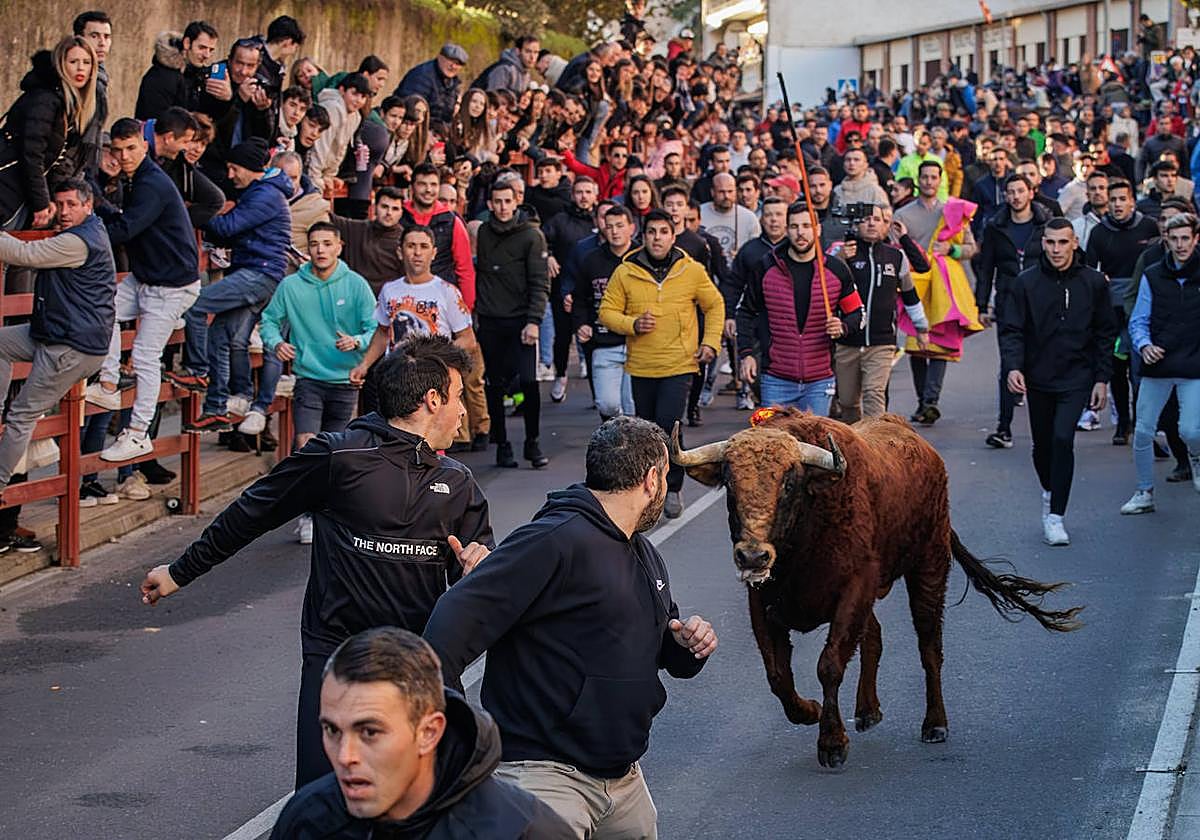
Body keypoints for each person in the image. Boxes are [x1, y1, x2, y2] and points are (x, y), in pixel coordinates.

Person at [141, 335, 493, 788]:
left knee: (439, 799)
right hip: (337, 656)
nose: (463, 411)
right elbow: (252, 514)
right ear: (431, 400)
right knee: (321, 801)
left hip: (421, 660)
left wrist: (477, 573)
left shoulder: (457, 482)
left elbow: (487, 577)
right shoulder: (337, 457)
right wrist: (178, 572)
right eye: (459, 397)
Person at [423, 416, 717, 838]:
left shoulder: (644, 552)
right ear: (652, 478)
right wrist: (455, 741)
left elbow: (662, 648)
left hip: (624, 782)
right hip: (546, 780)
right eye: (668, 477)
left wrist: (689, 647)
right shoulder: (552, 540)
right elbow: (450, 628)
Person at [270, 627, 572, 839]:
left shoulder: (525, 830)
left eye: (370, 732)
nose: (345, 756)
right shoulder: (306, 820)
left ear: (429, 731)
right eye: (332, 730)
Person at [84, 118, 199, 469]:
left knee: (147, 355)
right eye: (117, 150)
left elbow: (125, 228)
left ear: (144, 146)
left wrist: (87, 224)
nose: (123, 156)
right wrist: (98, 202)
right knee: (104, 307)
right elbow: (123, 218)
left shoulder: (152, 183)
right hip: (146, 278)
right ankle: (108, 381)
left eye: (130, 148)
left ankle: (137, 432)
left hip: (171, 285)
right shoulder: (137, 180)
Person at [599, 209, 723, 518]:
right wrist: (632, 323)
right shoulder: (626, 271)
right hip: (641, 365)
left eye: (663, 232)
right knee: (646, 431)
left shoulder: (690, 270)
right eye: (652, 232)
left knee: (668, 427)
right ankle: (648, 489)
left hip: (680, 363)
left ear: (673, 235)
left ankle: (672, 487)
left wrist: (710, 343)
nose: (657, 238)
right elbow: (606, 311)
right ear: (644, 236)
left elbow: (715, 304)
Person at [1000, 218, 1117, 546]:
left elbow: (1105, 332)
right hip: (1038, 376)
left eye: (1062, 243)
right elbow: (1012, 330)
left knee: (1063, 438)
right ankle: (1051, 491)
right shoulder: (1026, 283)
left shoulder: (1093, 283)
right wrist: (1013, 367)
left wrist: (1101, 379)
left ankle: (1055, 516)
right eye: (1050, 242)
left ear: (1075, 243)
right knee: (1042, 448)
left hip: (1077, 376)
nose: (1056, 249)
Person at [259, 222, 376, 543]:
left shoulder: (356, 285)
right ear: (307, 249)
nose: (321, 249)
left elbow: (375, 327)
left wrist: (357, 341)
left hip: (345, 379)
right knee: (307, 446)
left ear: (339, 247)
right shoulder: (291, 286)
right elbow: (269, 321)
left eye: (327, 243)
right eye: (314, 244)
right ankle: (308, 515)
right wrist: (275, 343)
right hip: (308, 376)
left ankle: (336, 512)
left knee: (341, 453)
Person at [166, 139, 292, 431]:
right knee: (220, 338)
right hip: (259, 274)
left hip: (258, 273)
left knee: (194, 305)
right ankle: (215, 408)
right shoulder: (263, 193)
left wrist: (190, 212)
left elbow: (226, 228)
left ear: (250, 168)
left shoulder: (266, 195)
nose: (231, 175)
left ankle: (198, 370)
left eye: (235, 169)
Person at [0, 179, 115, 498]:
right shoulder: (91, 229)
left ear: (87, 206)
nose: (64, 212)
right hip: (57, 333)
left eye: (71, 205)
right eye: (59, 204)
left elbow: (27, 254)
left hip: (71, 347)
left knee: (22, 415)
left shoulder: (78, 242)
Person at [737, 201, 863, 413]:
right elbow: (745, 312)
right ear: (786, 229)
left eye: (806, 226)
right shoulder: (766, 267)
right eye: (794, 227)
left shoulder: (835, 270)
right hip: (775, 379)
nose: (800, 233)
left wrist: (842, 326)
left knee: (814, 445)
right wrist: (746, 353)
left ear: (817, 228)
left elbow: (858, 314)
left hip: (820, 381)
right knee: (774, 444)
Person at [1119, 212, 1200, 514]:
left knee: (1191, 430)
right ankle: (1144, 492)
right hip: (1159, 362)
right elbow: (1138, 319)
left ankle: (1195, 457)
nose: (1180, 245)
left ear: (1195, 239)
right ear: (1166, 239)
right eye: (1174, 239)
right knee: (1142, 431)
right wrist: (1144, 345)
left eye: (1185, 239)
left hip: (1194, 365)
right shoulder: (1153, 274)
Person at [894, 160, 982, 425]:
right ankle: (923, 401)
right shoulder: (903, 214)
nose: (929, 181)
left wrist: (952, 251)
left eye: (934, 177)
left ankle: (931, 401)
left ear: (940, 180)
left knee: (940, 341)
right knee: (916, 343)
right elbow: (894, 248)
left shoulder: (952, 211)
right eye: (925, 177)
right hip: (916, 285)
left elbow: (971, 248)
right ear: (918, 180)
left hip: (945, 286)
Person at [474, 178, 551, 469]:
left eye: (508, 201)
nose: (503, 207)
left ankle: (533, 441)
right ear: (490, 203)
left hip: (521, 320)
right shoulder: (483, 232)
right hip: (491, 319)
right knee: (494, 384)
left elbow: (540, 282)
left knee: (529, 382)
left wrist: (534, 321)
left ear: (516, 201)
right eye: (497, 201)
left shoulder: (532, 236)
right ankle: (502, 444)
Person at [976, 173, 1054, 449]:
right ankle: (1004, 427)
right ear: (1005, 196)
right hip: (1009, 301)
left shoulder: (1046, 223)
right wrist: (981, 304)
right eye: (1011, 192)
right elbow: (986, 268)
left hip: (1044, 302)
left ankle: (1048, 426)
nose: (1016, 196)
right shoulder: (995, 226)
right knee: (1010, 363)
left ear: (1031, 193)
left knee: (1044, 362)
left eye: (1021, 191)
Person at [834, 205, 929, 423]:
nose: (871, 223)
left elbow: (910, 294)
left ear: (886, 225)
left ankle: (875, 447)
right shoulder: (842, 252)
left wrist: (921, 328)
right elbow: (826, 287)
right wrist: (840, 259)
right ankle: (853, 446)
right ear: (856, 224)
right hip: (847, 341)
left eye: (877, 219)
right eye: (866, 219)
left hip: (881, 341)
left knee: (874, 394)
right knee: (847, 401)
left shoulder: (896, 257)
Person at [1083, 177, 1159, 444]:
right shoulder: (1100, 233)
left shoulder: (1148, 227)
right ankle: (1122, 423)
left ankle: (1141, 423)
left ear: (1132, 202)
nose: (1117, 204)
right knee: (1116, 367)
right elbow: (1090, 270)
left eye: (1122, 199)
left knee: (1139, 369)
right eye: (1113, 199)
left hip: (1142, 307)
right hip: (1111, 307)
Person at [0, 36, 101, 230]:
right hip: (8, 184)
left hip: (19, 189)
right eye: (73, 62)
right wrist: (41, 203)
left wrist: (48, 199)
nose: (80, 68)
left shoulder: (65, 103)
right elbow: (32, 155)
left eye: (86, 62)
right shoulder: (46, 100)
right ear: (61, 65)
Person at [574, 205, 636, 421]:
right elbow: (579, 298)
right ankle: (620, 425)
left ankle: (630, 442)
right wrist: (581, 323)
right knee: (607, 403)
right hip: (602, 341)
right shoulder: (591, 260)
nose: (615, 231)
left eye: (620, 226)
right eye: (609, 227)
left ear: (631, 228)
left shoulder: (642, 259)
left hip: (637, 342)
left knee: (633, 405)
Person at [395, 44, 467, 127]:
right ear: (440, 57)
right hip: (413, 127)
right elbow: (412, 110)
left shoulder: (454, 83)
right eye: (450, 60)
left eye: (458, 64)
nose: (453, 66)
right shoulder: (422, 75)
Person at [699, 172, 760, 263]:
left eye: (730, 191)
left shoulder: (749, 218)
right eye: (721, 192)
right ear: (712, 192)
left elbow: (757, 252)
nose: (726, 196)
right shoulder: (699, 213)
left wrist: (742, 256)